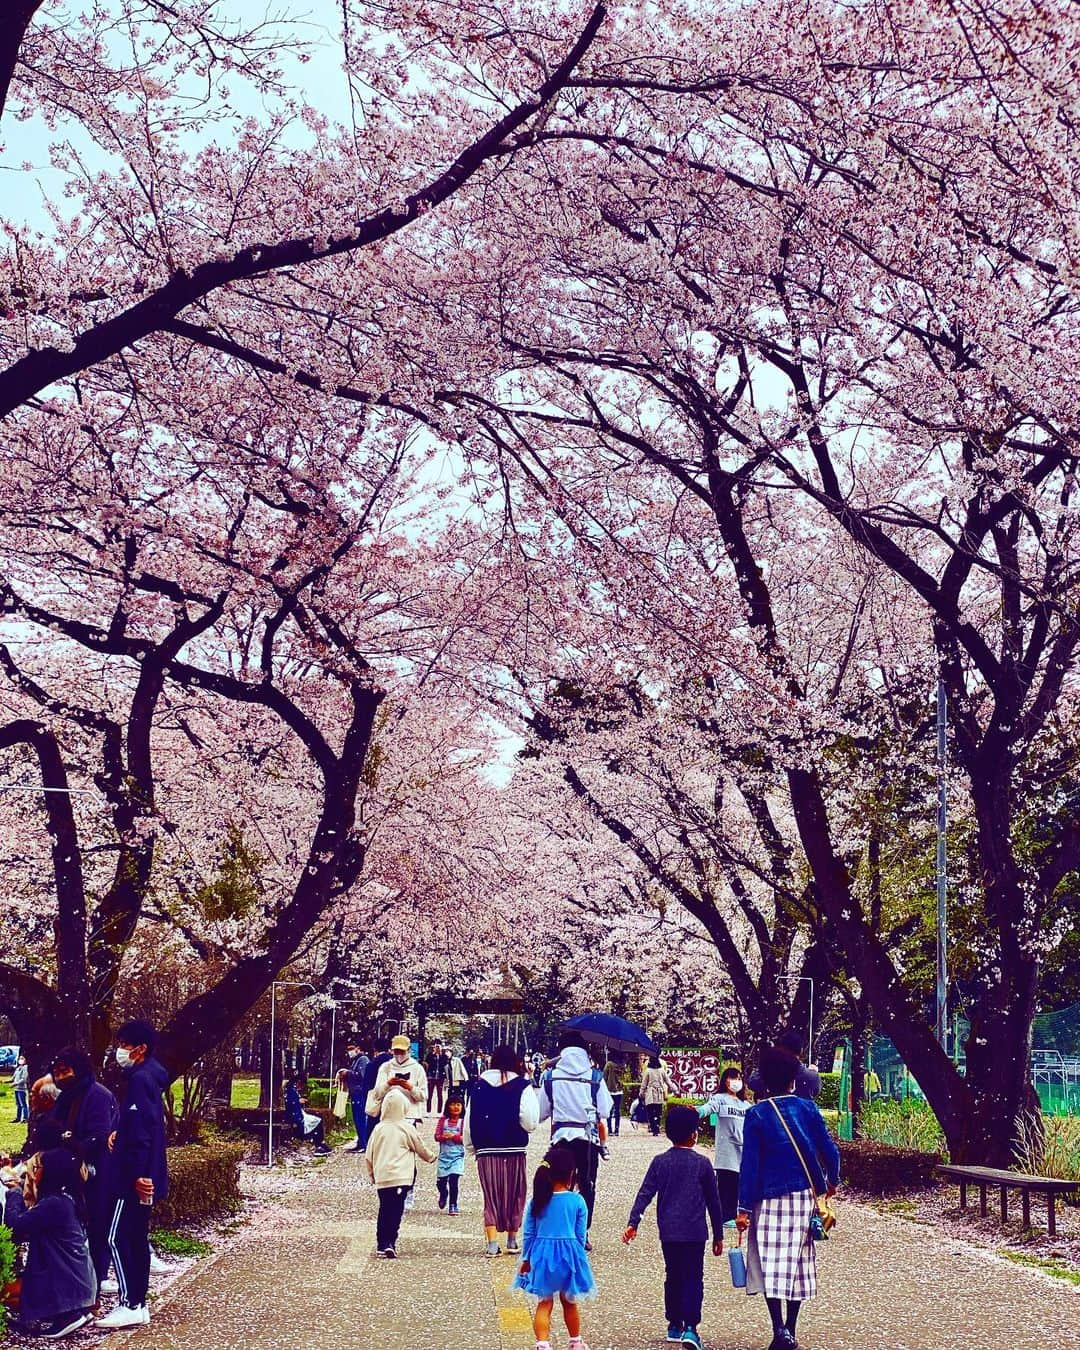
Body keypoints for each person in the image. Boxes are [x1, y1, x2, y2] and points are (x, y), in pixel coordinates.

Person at [736, 1047, 840, 1350]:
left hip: (767, 1200)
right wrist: (831, 1182)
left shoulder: (756, 1114)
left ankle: (778, 1328)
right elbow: (830, 1150)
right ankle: (791, 1329)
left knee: (771, 1263)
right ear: (794, 1079)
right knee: (797, 1262)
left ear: (764, 1081)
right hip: (803, 1197)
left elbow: (750, 1165)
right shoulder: (808, 1109)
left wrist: (743, 1208)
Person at [623, 1103, 724, 1348]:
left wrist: (633, 1222)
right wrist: (719, 1235)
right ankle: (691, 1327)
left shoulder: (660, 1162)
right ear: (693, 1134)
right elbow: (714, 1201)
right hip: (695, 1232)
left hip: (668, 1232)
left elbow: (644, 1193)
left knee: (673, 1275)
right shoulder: (703, 1164)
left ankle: (674, 1323)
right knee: (693, 1277)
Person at [95, 1019, 169, 1331]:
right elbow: (142, 1125)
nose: (119, 1051)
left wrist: (140, 1174)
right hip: (144, 1171)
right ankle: (137, 1303)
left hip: (131, 1176)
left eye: (125, 1045)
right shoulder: (150, 1076)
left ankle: (130, 1303)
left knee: (119, 1237)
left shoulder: (140, 1079)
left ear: (140, 1049)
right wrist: (118, 1132)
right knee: (136, 1237)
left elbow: (142, 1133)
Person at [2, 1146, 97, 1339]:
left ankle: (69, 1315)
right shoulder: (68, 1197)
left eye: (38, 1169)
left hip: (71, 1285)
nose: (34, 1173)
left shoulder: (53, 1204)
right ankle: (73, 1311)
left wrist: (14, 1194)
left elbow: (15, 1226)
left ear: (53, 1173)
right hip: (81, 1283)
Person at [50, 1047, 120, 1295]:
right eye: (56, 1073)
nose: (60, 1077)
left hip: (100, 1169)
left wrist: (69, 1140)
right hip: (72, 1168)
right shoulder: (67, 1096)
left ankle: (98, 1276)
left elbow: (98, 1137)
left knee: (98, 1222)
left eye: (65, 1071)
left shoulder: (97, 1096)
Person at [513, 1143, 594, 1350]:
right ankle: (575, 1342)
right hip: (569, 1257)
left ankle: (542, 1344)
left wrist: (526, 1259)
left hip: (542, 1257)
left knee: (544, 1302)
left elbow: (529, 1234)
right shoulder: (577, 1201)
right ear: (570, 1174)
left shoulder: (537, 1201)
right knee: (569, 1302)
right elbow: (579, 1236)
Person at [465, 1044, 540, 1256]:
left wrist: (471, 1147)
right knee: (515, 1193)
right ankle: (512, 1239)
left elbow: (470, 1120)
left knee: (491, 1196)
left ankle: (491, 1244)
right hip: (514, 1148)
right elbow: (529, 1121)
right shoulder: (522, 1086)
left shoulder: (479, 1086)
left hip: (486, 1150)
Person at [537, 1032, 613, 1244]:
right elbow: (606, 1110)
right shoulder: (595, 1076)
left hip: (561, 1139)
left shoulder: (551, 1077)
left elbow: (541, 1112)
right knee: (587, 1184)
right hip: (587, 1139)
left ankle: (560, 1228)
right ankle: (583, 1232)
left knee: (559, 1184)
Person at [365, 1087, 437, 1257]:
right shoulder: (406, 1128)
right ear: (404, 1107)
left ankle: (381, 1243)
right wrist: (431, 1157)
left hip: (383, 1177)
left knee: (384, 1208)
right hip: (402, 1178)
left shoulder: (379, 1129)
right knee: (396, 1209)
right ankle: (391, 1241)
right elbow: (420, 1147)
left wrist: (372, 1174)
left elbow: (369, 1154)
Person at [368, 1035, 428, 1210]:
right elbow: (377, 1093)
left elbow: (423, 1095)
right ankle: (388, 1188)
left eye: (402, 1051)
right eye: (396, 1051)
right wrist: (388, 1084)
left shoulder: (417, 1069)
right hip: (387, 1117)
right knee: (388, 1155)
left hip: (409, 1117)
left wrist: (410, 1087)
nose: (399, 1055)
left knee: (408, 1156)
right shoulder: (385, 1067)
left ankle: (408, 1189)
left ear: (409, 1050)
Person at [697, 1065, 750, 1224]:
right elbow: (708, 1109)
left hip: (743, 1150)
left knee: (739, 1184)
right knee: (726, 1183)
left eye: (739, 1078)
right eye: (733, 1078)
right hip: (726, 1150)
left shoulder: (746, 1105)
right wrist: (695, 1112)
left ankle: (738, 1214)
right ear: (725, 1080)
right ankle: (725, 1216)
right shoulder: (719, 1098)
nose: (736, 1082)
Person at [749, 1031, 821, 1101]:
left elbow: (752, 1082)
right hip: (802, 1111)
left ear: (781, 1048)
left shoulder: (771, 1072)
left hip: (772, 1110)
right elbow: (815, 1091)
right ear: (801, 1050)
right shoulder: (812, 1076)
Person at [284, 1075, 332, 1155]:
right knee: (317, 1122)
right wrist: (298, 1101)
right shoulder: (291, 1090)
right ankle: (319, 1144)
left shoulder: (292, 1089)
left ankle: (319, 1144)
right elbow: (290, 1104)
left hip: (298, 1114)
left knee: (317, 1121)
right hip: (297, 1117)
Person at [434, 1096, 466, 1214]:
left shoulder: (463, 1122)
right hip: (444, 1156)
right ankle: (443, 1193)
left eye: (458, 1104)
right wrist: (443, 1137)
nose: (455, 1107)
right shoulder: (443, 1121)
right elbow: (436, 1136)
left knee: (454, 1180)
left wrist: (454, 1137)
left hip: (457, 1157)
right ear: (447, 1106)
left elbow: (467, 1139)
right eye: (452, 1104)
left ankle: (453, 1204)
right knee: (441, 1181)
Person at [336, 1041, 370, 1152]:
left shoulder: (363, 1060)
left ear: (358, 1048)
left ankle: (364, 1144)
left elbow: (361, 1076)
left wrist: (348, 1073)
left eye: (352, 1048)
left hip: (360, 1093)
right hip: (355, 1093)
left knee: (361, 1119)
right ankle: (361, 1142)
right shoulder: (356, 1060)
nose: (350, 1052)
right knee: (357, 1118)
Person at [638, 1055, 677, 1137]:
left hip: (650, 1094)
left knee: (650, 1112)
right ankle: (657, 1128)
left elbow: (644, 1084)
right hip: (659, 1093)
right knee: (658, 1112)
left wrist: (641, 1093)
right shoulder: (661, 1070)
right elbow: (668, 1081)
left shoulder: (648, 1071)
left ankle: (653, 1128)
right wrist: (675, 1089)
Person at [602, 1055, 626, 1136]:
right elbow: (623, 1078)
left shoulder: (609, 1064)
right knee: (617, 1110)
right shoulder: (622, 1065)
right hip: (619, 1091)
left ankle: (610, 1130)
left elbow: (604, 1076)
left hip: (609, 1090)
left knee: (609, 1110)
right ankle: (617, 1130)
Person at [425, 1040, 451, 1115]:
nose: (437, 1049)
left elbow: (446, 1066)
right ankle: (428, 1111)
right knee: (430, 1094)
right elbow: (427, 1065)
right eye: (436, 1047)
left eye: (439, 1047)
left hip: (440, 1077)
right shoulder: (430, 1055)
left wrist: (447, 1078)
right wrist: (427, 1075)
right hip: (431, 1077)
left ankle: (439, 1111)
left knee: (440, 1095)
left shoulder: (444, 1057)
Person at [12, 1053, 29, 1123]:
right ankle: (18, 1118)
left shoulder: (26, 1068)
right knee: (18, 1104)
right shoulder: (18, 1068)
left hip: (22, 1089)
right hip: (16, 1089)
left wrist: (15, 1083)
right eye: (20, 1058)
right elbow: (13, 1078)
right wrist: (5, 1081)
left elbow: (24, 1079)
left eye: (22, 1058)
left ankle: (25, 1118)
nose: (20, 1060)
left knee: (23, 1104)